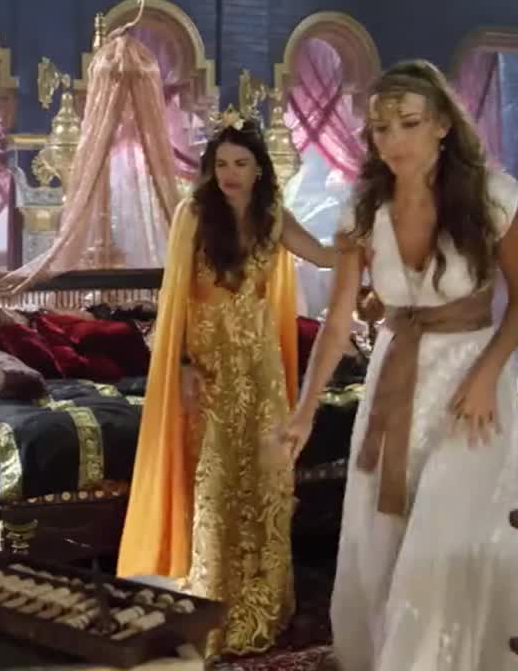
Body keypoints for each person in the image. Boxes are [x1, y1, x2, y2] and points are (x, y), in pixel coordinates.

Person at [278, 59, 518, 670]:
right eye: (381, 128)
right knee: (386, 536)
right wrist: (304, 412)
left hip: (471, 383)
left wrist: (486, 377)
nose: (394, 140)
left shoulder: (495, 199)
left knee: (449, 537)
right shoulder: (362, 211)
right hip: (395, 382)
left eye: (409, 123)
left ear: (443, 124)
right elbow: (337, 323)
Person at [117, 113, 336, 657]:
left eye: (241, 163)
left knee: (266, 483)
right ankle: (214, 611)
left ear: (260, 170)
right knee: (215, 491)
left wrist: (375, 237)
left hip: (261, 374)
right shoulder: (194, 215)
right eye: (221, 164)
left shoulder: (273, 216)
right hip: (211, 373)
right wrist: (182, 364)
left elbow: (326, 257)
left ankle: (262, 606)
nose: (230, 174)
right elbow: (175, 298)